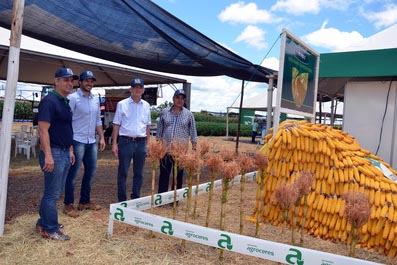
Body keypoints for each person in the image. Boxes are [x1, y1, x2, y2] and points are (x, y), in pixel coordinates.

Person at [36, 68, 78, 240]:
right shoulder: (49, 101)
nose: (69, 83)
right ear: (56, 81)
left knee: (54, 191)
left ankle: (43, 222)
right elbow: (43, 130)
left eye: (71, 80)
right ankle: (51, 229)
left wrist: (70, 149)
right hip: (53, 152)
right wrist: (48, 155)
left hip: (63, 152)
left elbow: (65, 129)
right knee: (52, 194)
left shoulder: (64, 102)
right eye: (65, 80)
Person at [63, 70, 106, 218]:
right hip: (77, 140)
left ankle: (84, 202)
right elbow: (66, 121)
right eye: (86, 80)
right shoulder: (73, 98)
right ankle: (68, 205)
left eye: (92, 81)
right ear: (80, 82)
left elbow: (98, 120)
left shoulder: (95, 99)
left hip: (91, 141)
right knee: (73, 173)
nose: (89, 83)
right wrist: (69, 143)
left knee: (91, 172)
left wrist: (101, 137)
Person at [111, 78, 151, 202]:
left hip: (141, 142)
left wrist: (148, 143)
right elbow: (116, 124)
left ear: (143, 90)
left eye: (140, 87)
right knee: (123, 172)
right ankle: (122, 200)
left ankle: (136, 198)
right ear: (130, 89)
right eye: (135, 87)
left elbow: (148, 126)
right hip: (125, 142)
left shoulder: (146, 105)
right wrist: (114, 143)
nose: (137, 90)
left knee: (139, 173)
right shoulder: (122, 104)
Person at [157, 89, 198, 194]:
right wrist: (158, 145)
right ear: (173, 99)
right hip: (165, 150)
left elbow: (193, 132)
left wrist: (194, 149)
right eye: (177, 98)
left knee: (178, 176)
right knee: (164, 175)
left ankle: (175, 199)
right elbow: (159, 130)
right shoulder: (165, 112)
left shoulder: (189, 115)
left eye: (182, 98)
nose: (179, 100)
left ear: (184, 101)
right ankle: (162, 198)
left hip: (181, 152)